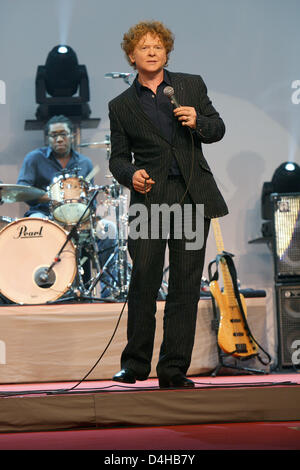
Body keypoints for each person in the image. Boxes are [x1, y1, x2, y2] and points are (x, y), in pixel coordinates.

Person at [109, 21, 228, 388]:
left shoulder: (190, 84)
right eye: (144, 47)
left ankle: (173, 369)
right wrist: (132, 175)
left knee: (185, 285)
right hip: (148, 201)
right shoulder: (121, 105)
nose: (152, 51)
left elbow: (218, 127)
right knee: (144, 280)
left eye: (158, 46)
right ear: (132, 56)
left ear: (166, 52)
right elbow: (117, 158)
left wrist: (199, 122)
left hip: (191, 195)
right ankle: (135, 364)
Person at [17, 114, 117, 299]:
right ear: (48, 138)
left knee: (109, 230)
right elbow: (22, 191)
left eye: (64, 134)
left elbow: (90, 201)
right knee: (34, 223)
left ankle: (109, 292)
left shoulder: (84, 163)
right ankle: (38, 289)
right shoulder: (34, 159)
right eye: (54, 135)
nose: (59, 139)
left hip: (79, 220)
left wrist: (89, 212)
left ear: (72, 135)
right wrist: (54, 198)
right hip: (44, 216)